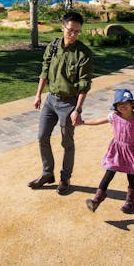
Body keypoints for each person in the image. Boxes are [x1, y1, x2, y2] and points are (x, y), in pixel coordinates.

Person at [28, 10, 94, 195]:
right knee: (42, 137)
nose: (73, 34)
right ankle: (47, 173)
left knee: (67, 143)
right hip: (50, 100)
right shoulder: (53, 46)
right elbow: (45, 70)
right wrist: (38, 94)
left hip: (69, 103)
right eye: (70, 30)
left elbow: (84, 85)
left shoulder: (84, 54)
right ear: (63, 27)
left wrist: (78, 110)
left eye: (77, 31)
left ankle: (65, 179)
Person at [82, 89, 134, 214]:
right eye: (118, 104)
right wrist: (82, 122)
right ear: (115, 107)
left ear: (132, 103)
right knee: (109, 172)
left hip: (131, 150)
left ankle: (130, 201)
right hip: (116, 150)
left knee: (131, 175)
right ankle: (97, 199)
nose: (122, 106)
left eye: (125, 103)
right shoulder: (114, 117)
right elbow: (97, 121)